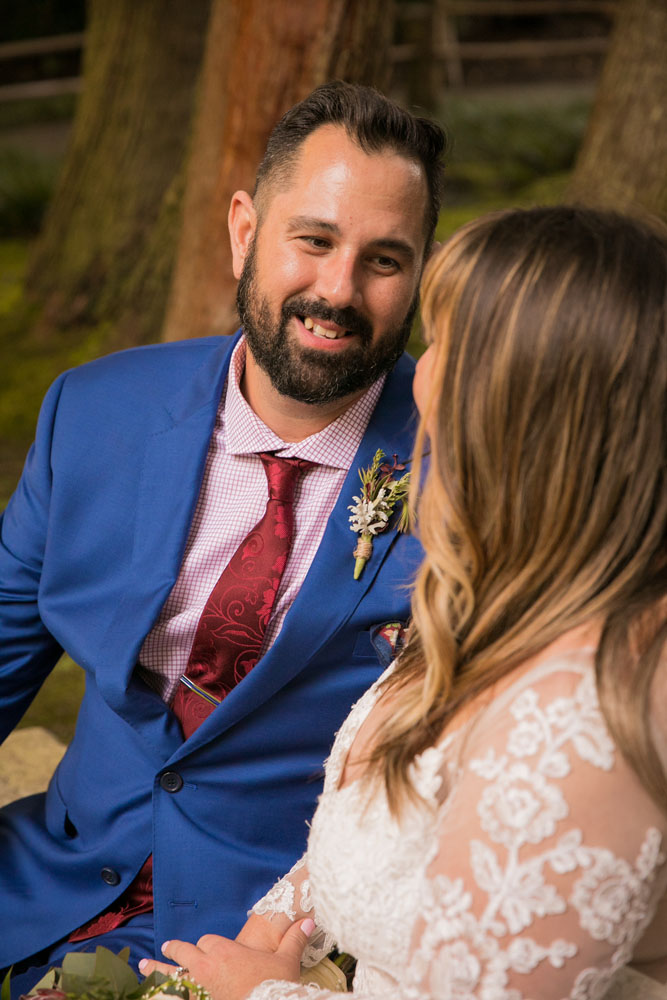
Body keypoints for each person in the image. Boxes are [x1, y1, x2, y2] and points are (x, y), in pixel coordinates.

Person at [141, 205, 667, 1000]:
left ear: (523, 407)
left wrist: (257, 995)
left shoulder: (577, 713)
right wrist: (283, 925)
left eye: (447, 345)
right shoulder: (504, 601)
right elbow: (392, 825)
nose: (418, 373)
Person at [0, 82, 447, 992]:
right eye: (313, 239)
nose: (337, 289)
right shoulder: (93, 411)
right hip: (44, 877)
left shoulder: (465, 467)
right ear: (245, 229)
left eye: (384, 260)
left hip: (266, 938)